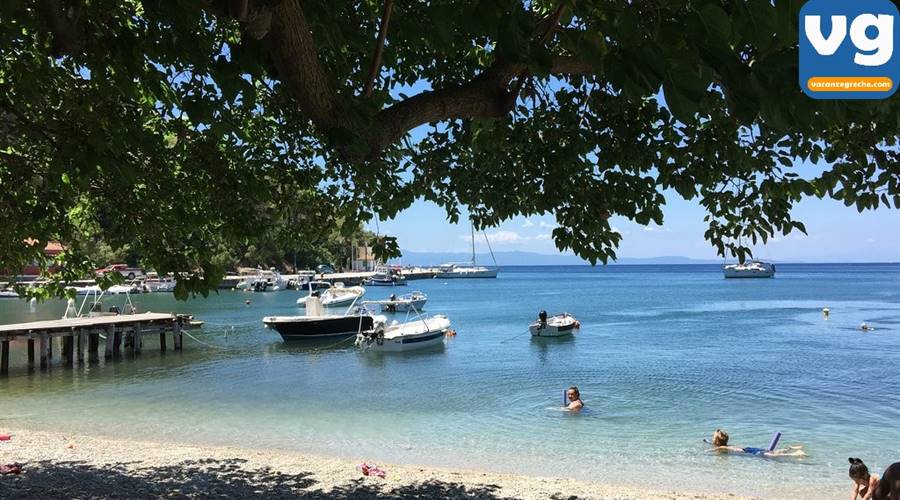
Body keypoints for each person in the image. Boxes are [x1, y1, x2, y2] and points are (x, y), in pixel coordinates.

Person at [708, 429, 806, 457]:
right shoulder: (728, 446)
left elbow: (713, 450)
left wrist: (706, 451)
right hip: (748, 449)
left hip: (749, 452)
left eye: (713, 439)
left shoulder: (721, 448)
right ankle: (788, 448)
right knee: (770, 452)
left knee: (771, 455)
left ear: (717, 442)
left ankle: (794, 454)